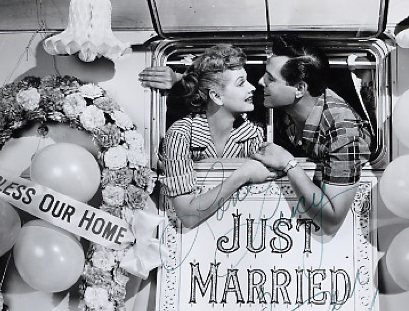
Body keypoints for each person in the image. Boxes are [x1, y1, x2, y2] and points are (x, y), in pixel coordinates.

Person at [139, 34, 372, 235]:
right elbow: (221, 85)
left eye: (270, 79)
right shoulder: (276, 101)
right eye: (260, 76)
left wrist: (289, 164)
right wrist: (179, 80)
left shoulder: (342, 131)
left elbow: (332, 221)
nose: (258, 83)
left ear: (300, 89)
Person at [155, 44, 277, 229]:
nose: (252, 88)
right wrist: (243, 174)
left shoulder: (254, 134)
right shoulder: (180, 135)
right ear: (216, 96)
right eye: (241, 83)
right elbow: (187, 215)